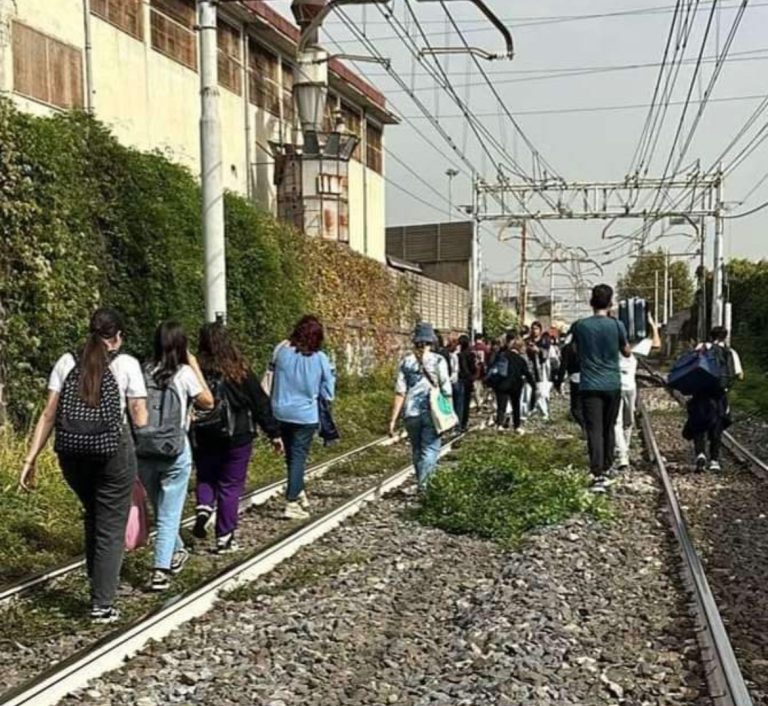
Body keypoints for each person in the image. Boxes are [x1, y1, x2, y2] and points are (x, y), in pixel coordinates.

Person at [19, 308, 148, 623]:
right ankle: (102, 603)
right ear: (117, 337)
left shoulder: (66, 362)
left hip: (71, 455)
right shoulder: (127, 364)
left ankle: (97, 582)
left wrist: (30, 458)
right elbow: (140, 418)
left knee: (94, 514)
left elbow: (49, 414)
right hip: (111, 454)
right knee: (110, 525)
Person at [136, 321, 214, 591]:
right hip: (174, 451)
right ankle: (160, 570)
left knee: (161, 509)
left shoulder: (142, 371)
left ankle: (176, 551)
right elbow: (208, 401)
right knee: (168, 514)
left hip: (143, 450)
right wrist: (193, 364)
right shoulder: (183, 374)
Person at [193, 322, 283, 552]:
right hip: (238, 435)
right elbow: (260, 402)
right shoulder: (240, 370)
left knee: (206, 476)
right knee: (230, 486)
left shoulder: (195, 370)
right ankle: (224, 538)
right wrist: (273, 433)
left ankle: (204, 506)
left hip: (205, 433)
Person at [270, 315, 336, 519]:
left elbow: (270, 376)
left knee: (290, 456)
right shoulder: (320, 359)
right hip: (305, 415)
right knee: (298, 457)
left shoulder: (281, 351)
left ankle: (298, 491)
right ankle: (291, 502)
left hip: (279, 411)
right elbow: (328, 392)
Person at [571, 284, 631, 492]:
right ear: (611, 302)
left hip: (589, 385)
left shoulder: (580, 326)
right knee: (609, 427)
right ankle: (607, 466)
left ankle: (597, 473)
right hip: (612, 384)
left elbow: (575, 351)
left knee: (594, 430)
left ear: (591, 302)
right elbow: (626, 352)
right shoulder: (617, 325)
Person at [390, 322, 452, 489]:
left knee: (417, 450)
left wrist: (393, 420)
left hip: (411, 412)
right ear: (431, 341)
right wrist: (450, 413)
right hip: (432, 412)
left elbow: (400, 392)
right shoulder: (439, 360)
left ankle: (421, 482)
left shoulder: (406, 362)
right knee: (430, 449)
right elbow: (446, 389)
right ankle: (424, 486)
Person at [683, 326, 744, 472]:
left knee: (698, 424)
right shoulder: (731, 352)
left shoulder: (701, 347)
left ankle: (700, 454)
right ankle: (715, 460)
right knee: (717, 426)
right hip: (719, 395)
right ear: (725, 337)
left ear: (710, 336)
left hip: (700, 394)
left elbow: (691, 367)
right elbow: (740, 375)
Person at [613, 316, 661, 471]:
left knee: (622, 422)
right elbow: (657, 344)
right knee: (624, 422)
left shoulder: (613, 343)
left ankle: (623, 451)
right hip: (626, 388)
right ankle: (622, 455)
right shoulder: (635, 346)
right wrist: (653, 326)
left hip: (617, 386)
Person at [491, 336, 534, 432]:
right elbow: (527, 373)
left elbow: (494, 366)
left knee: (501, 406)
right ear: (520, 347)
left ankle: (499, 425)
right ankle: (517, 426)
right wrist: (533, 385)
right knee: (516, 406)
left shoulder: (502, 355)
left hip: (502, 384)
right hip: (515, 386)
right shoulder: (521, 360)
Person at [554, 331, 583, 429]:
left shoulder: (568, 348)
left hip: (575, 379)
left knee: (575, 409)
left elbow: (563, 366)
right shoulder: (589, 347)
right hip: (590, 379)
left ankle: (586, 428)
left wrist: (559, 382)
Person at [456, 335, 476, 432]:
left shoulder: (459, 355)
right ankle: (464, 423)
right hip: (468, 380)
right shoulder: (471, 355)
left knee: (459, 403)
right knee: (466, 403)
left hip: (460, 380)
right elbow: (473, 368)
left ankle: (458, 424)